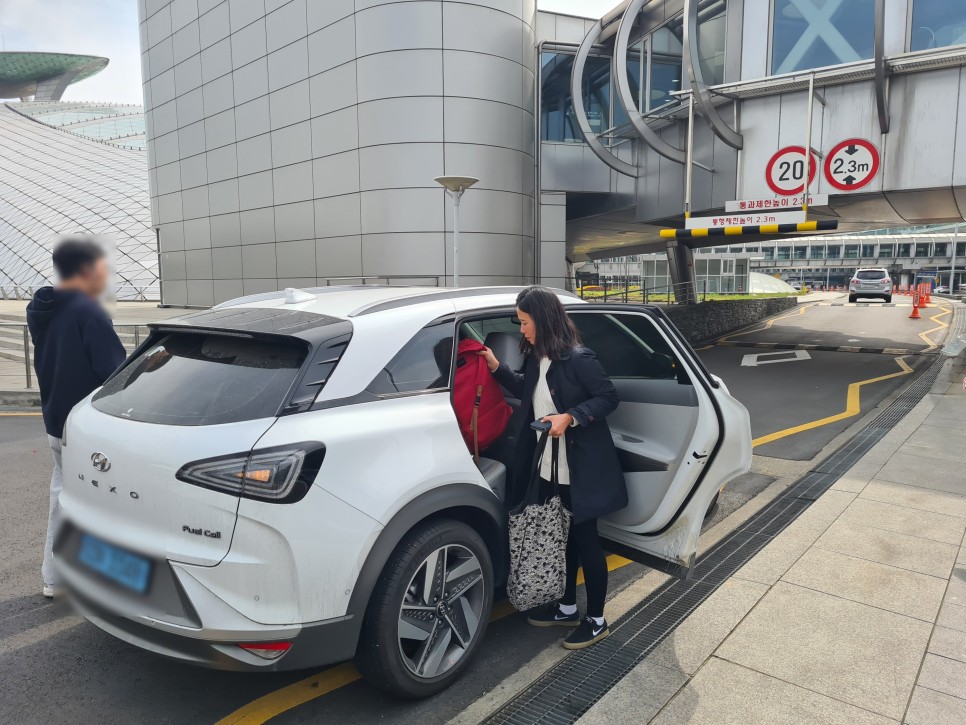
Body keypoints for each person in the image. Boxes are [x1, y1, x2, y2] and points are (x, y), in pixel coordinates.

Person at [479, 286, 627, 649]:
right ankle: (566, 606)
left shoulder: (579, 358)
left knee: (586, 541)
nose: (522, 330)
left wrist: (571, 417)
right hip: (548, 464)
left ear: (542, 320)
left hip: (580, 467)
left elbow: (608, 397)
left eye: (525, 323)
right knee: (564, 537)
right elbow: (528, 392)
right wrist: (497, 368)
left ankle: (596, 619)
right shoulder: (536, 358)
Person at [26, 238, 127, 598]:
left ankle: (55, 578)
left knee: (62, 496)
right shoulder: (88, 312)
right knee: (101, 501)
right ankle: (100, 581)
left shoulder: (40, 307)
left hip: (56, 419)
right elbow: (114, 373)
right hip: (87, 426)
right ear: (87, 270)